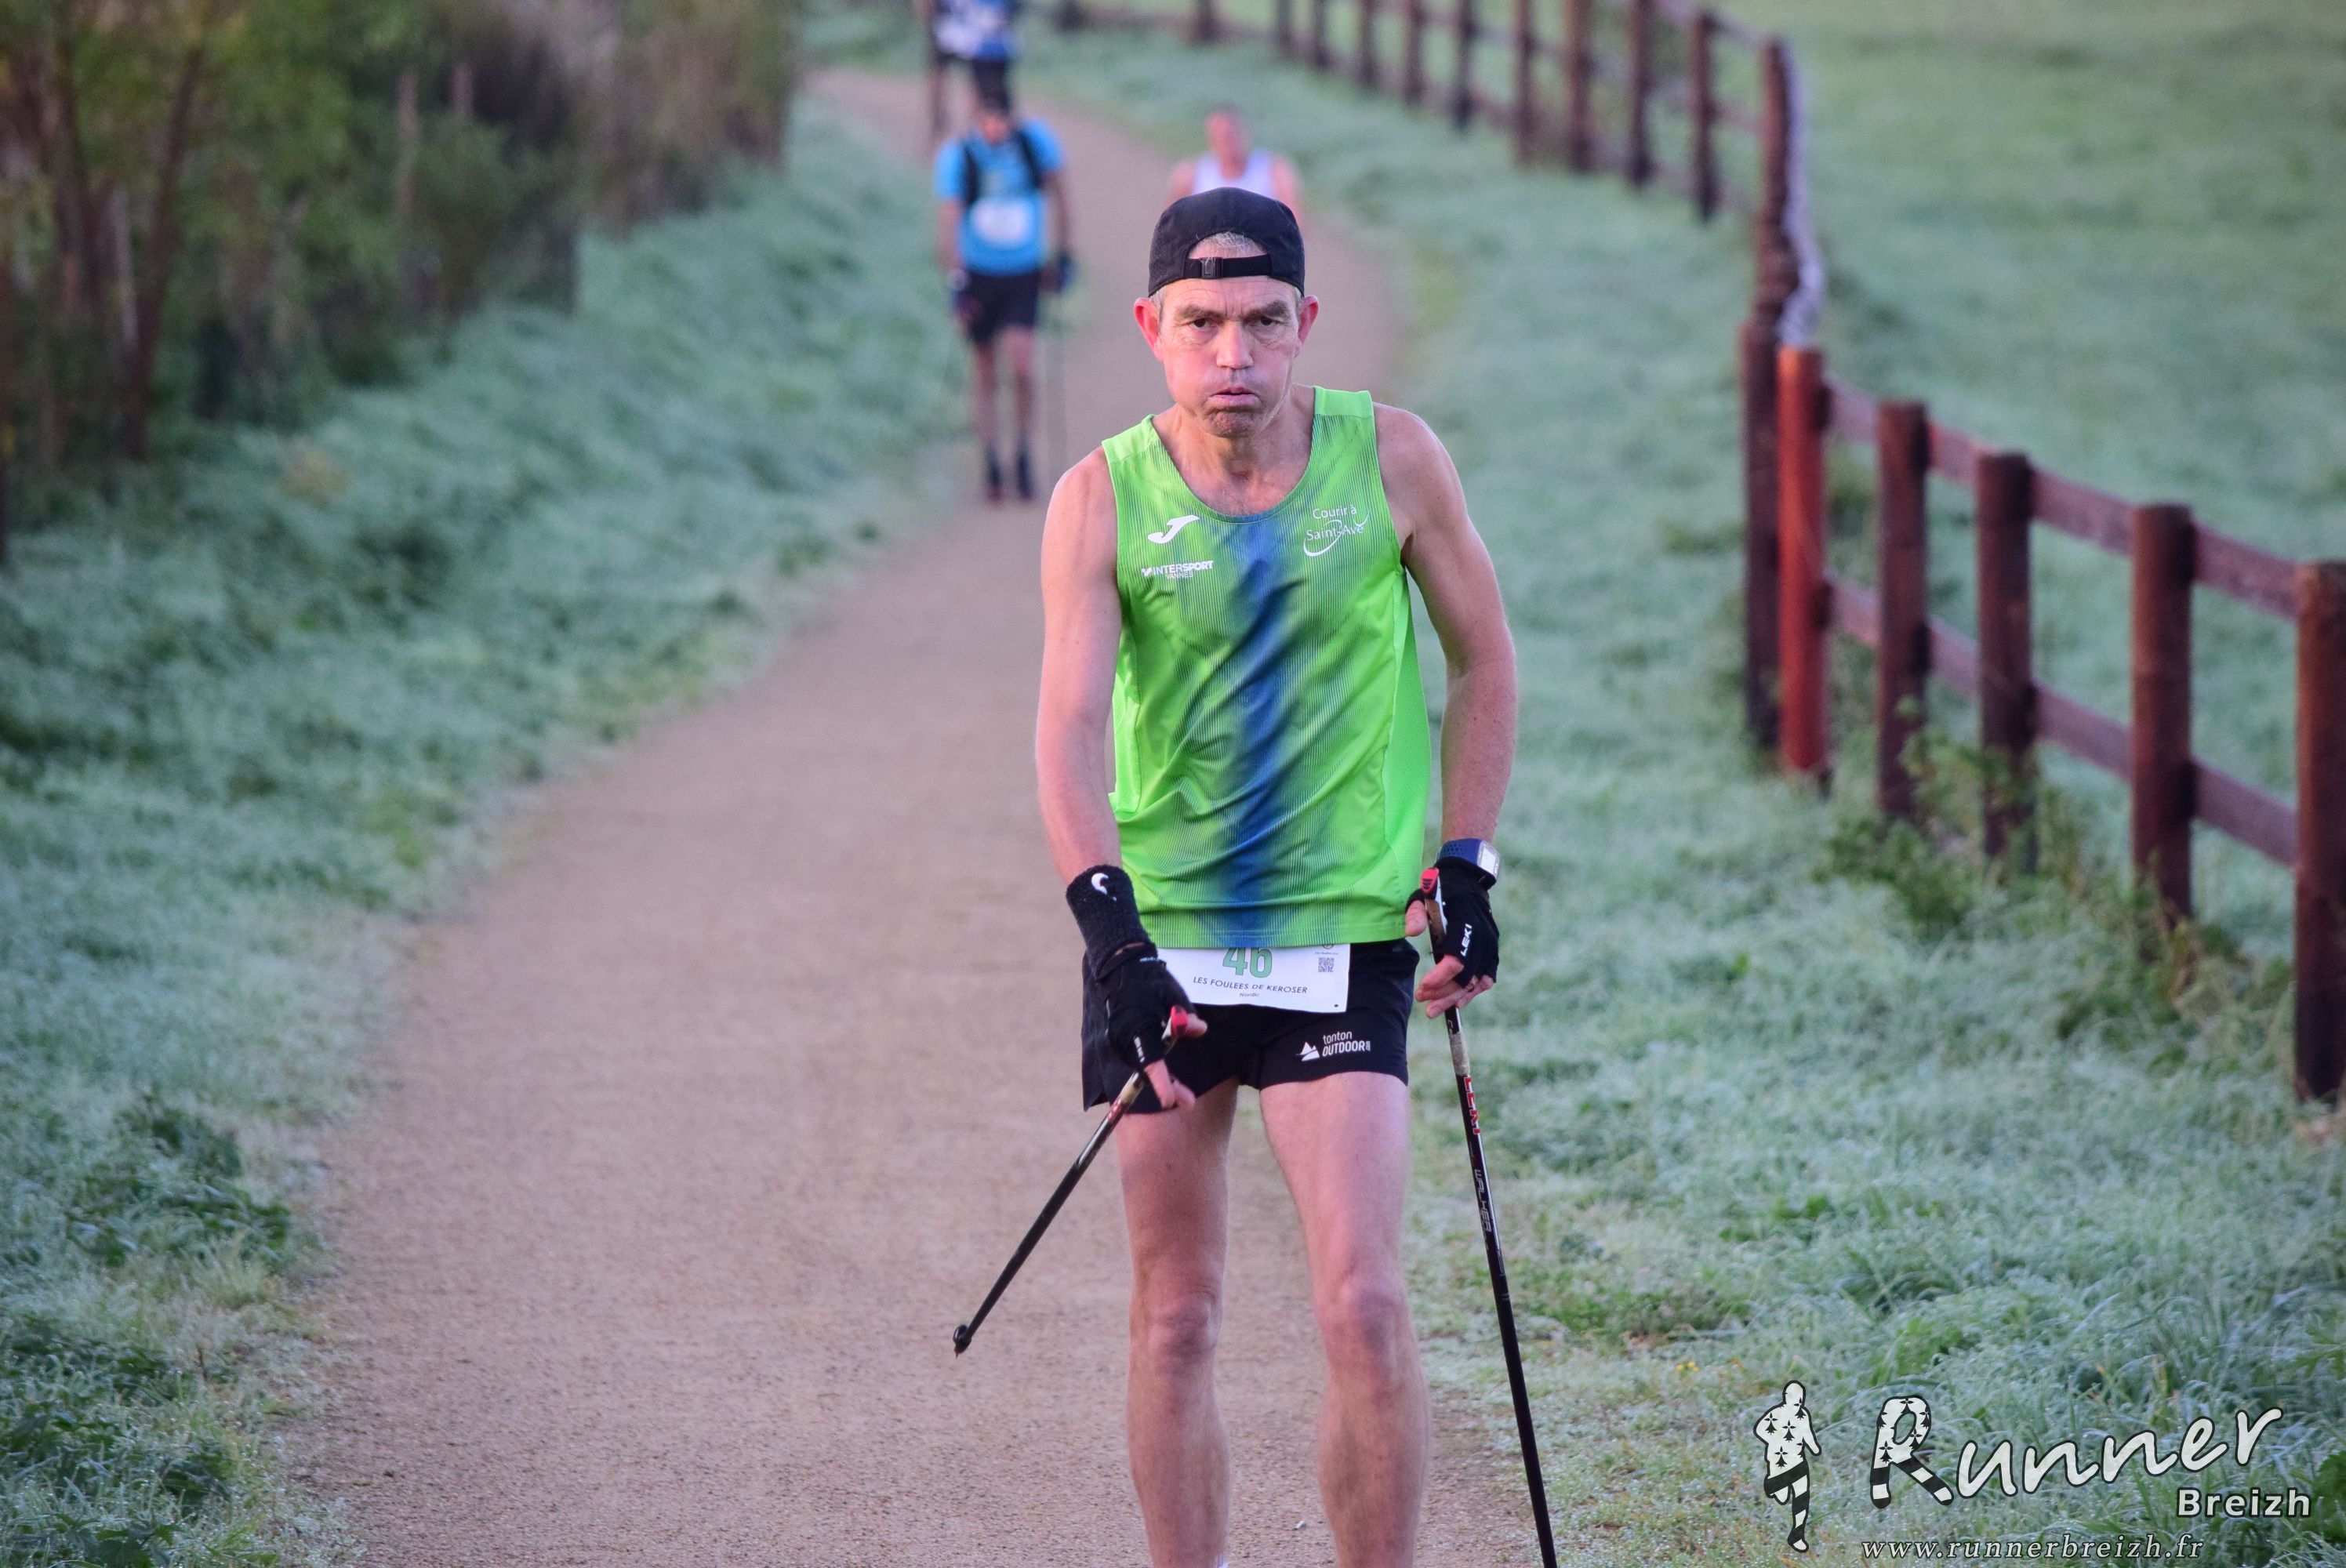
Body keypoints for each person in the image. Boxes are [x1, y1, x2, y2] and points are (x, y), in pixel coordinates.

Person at [1035, 189, 1516, 1567]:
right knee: (1177, 1316)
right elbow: (1066, 728)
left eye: (1260, 322)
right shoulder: (1099, 498)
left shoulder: (1394, 460)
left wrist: (1466, 859)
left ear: (1306, 321)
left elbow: (1485, 660)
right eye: (1200, 323)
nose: (1231, 354)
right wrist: (1109, 935)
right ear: (1151, 326)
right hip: (1164, 944)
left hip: (1344, 937)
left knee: (1363, 1303)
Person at [934, 85, 1073, 503]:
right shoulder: (960, 156)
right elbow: (949, 221)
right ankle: (991, 460)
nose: (996, 128)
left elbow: (1061, 195)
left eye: (1003, 120)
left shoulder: (1033, 146)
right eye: (989, 120)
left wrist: (1063, 255)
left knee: (1022, 365)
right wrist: (957, 282)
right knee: (985, 370)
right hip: (979, 275)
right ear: (978, 119)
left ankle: (1024, 454)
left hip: (1024, 272)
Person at [1166, 105, 1307, 235]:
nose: (1228, 143)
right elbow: (1171, 229)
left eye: (1232, 134)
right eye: (1221, 136)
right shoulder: (1190, 174)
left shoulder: (1274, 170)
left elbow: (1296, 225)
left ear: (1245, 133)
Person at [930, 0, 1022, 132]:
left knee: (984, 90)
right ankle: (942, 118)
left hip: (984, 45)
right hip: (972, 40)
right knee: (978, 88)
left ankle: (974, 127)